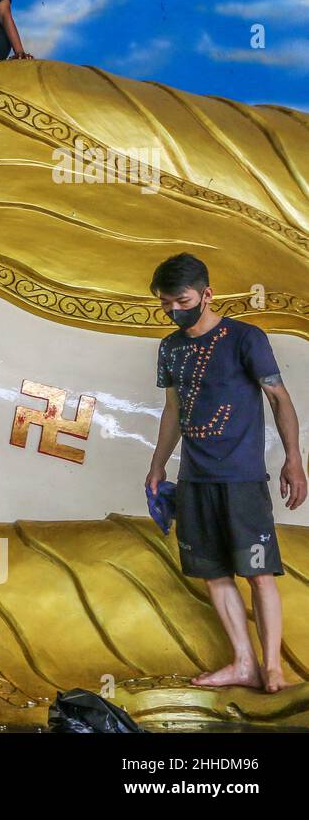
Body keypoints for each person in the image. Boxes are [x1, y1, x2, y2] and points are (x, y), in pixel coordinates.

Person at [145, 253, 306, 693]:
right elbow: (173, 410)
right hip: (196, 481)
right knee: (213, 573)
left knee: (258, 572)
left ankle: (272, 667)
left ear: (207, 295)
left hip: (242, 480)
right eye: (165, 304)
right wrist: (158, 465)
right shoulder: (170, 348)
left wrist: (294, 459)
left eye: (182, 300)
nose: (174, 311)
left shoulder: (245, 338)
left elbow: (279, 399)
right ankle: (243, 664)